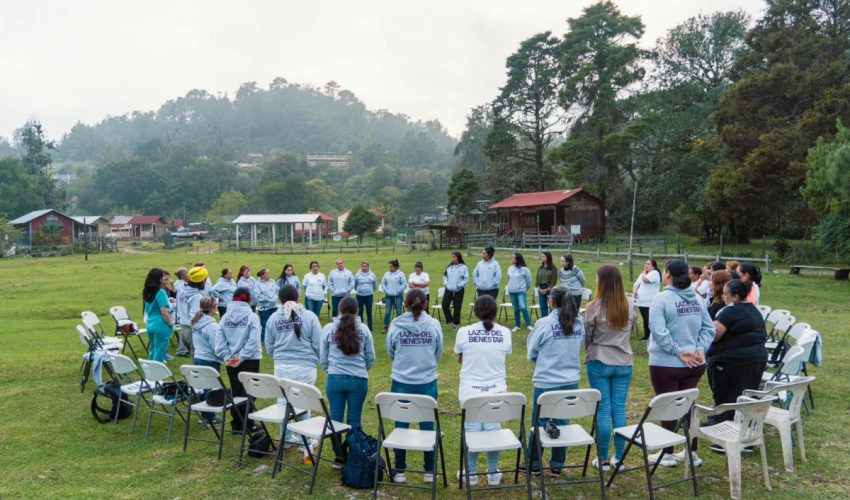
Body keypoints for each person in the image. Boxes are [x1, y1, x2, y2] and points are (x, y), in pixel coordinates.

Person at [647, 259, 715, 468]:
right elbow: (708, 329)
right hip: (694, 363)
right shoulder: (697, 298)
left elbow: (658, 332)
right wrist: (698, 349)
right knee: (688, 405)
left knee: (668, 405)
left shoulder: (661, 298)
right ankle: (691, 452)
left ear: (667, 273)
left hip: (666, 363)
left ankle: (667, 453)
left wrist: (681, 351)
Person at [385, 289, 443, 484]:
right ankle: (429, 470)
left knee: (401, 424)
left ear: (405, 304)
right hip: (426, 381)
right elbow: (438, 350)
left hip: (402, 381)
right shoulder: (433, 324)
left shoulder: (395, 325)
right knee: (428, 425)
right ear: (425, 303)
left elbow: (390, 350)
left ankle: (400, 470)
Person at [454, 295, 512, 487]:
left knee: (472, 430)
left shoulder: (464, 332)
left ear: (476, 312)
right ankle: (493, 472)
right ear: (495, 312)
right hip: (496, 391)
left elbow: (460, 358)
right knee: (492, 430)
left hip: (470, 391)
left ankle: (470, 473)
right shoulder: (505, 332)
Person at [526, 285, 584, 474]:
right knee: (562, 422)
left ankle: (534, 463)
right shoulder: (579, 323)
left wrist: (544, 361)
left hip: (545, 382)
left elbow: (531, 352)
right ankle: (557, 465)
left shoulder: (543, 323)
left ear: (552, 301)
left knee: (538, 423)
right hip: (570, 381)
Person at [584, 266, 637, 472]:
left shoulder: (593, 306)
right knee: (619, 410)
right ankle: (620, 458)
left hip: (599, 360)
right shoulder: (631, 304)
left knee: (604, 410)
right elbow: (632, 329)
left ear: (602, 282)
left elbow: (588, 335)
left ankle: (604, 458)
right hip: (623, 361)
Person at [265, 284, 322, 464]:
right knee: (303, 402)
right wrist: (314, 359)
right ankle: (305, 439)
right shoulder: (310, 316)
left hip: (282, 367)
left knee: (283, 401)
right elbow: (318, 343)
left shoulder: (273, 318)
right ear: (298, 297)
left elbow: (269, 345)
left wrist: (280, 357)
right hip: (305, 367)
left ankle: (287, 437)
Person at [320, 296, 376, 466]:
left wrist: (330, 370)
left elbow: (323, 357)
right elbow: (370, 357)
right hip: (358, 379)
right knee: (354, 420)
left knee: (335, 419)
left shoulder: (329, 328)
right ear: (357, 310)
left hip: (335, 378)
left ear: (339, 309)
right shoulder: (364, 329)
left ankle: (339, 457)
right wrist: (360, 370)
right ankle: (354, 456)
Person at [706, 279, 769, 427]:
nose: (723, 297)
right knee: (746, 397)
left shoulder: (730, 312)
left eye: (725, 294)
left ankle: (725, 431)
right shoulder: (755, 311)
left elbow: (714, 334)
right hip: (756, 360)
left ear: (735, 297)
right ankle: (745, 429)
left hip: (733, 363)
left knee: (728, 398)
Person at [216, 287, 262, 433]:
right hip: (249, 359)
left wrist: (226, 356)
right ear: (248, 300)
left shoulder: (225, 317)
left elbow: (220, 338)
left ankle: (237, 423)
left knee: (236, 391)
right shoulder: (252, 316)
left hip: (231, 359)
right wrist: (241, 357)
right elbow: (253, 341)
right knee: (249, 391)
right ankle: (247, 424)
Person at [191, 296, 224, 425]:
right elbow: (217, 347)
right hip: (209, 360)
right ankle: (211, 417)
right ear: (213, 308)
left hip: (198, 357)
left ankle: (205, 416)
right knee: (210, 390)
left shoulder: (196, 321)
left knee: (204, 388)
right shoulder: (212, 326)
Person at [175, 266, 208, 357]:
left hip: (182, 329)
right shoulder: (197, 296)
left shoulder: (182, 290)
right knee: (198, 357)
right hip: (192, 330)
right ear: (202, 281)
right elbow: (194, 317)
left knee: (193, 357)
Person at [143, 268, 174, 362]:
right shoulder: (160, 292)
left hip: (150, 322)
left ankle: (150, 370)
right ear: (159, 279)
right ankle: (157, 373)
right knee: (160, 350)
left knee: (153, 349)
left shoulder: (146, 290)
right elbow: (164, 311)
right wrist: (170, 324)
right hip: (160, 323)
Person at [633, 259, 661, 341]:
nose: (646, 265)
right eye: (645, 263)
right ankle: (646, 336)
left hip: (650, 301)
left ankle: (651, 337)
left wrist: (644, 273)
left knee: (649, 319)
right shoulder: (643, 274)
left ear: (653, 266)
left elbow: (645, 280)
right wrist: (635, 291)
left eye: (648, 264)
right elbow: (636, 284)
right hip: (641, 301)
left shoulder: (655, 273)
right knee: (645, 319)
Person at [442, 251, 469, 329]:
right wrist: (446, 284)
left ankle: (455, 323)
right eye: (452, 257)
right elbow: (445, 276)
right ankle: (449, 319)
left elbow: (466, 279)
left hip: (458, 290)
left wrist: (460, 285)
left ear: (458, 258)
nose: (452, 258)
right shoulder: (449, 267)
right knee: (444, 305)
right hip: (449, 289)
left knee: (457, 307)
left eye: (454, 257)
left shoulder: (463, 267)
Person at [507, 252, 533, 332]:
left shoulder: (525, 269)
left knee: (523, 307)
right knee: (516, 308)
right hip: (512, 291)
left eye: (514, 258)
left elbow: (529, 281)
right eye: (512, 257)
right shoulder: (510, 268)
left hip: (521, 291)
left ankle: (528, 324)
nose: (512, 259)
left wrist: (525, 289)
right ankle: (517, 325)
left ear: (518, 259)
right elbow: (508, 279)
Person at [381, 259, 407, 333]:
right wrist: (385, 290)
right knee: (387, 312)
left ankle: (400, 327)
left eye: (391, 266)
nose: (389, 268)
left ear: (395, 267)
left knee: (399, 311)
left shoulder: (401, 274)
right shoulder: (386, 274)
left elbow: (404, 283)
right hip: (388, 296)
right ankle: (386, 327)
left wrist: (398, 291)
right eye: (389, 266)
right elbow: (383, 283)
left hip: (398, 296)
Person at [254, 268, 279, 343]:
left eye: (269, 273)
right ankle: (264, 340)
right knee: (265, 325)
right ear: (262, 275)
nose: (269, 275)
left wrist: (275, 298)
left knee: (274, 324)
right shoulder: (257, 284)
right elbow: (258, 296)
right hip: (264, 308)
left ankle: (274, 340)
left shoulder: (272, 281)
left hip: (274, 307)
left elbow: (277, 290)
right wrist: (269, 300)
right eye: (267, 273)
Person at [354, 261, 378, 331]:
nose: (364, 268)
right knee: (360, 312)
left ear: (368, 267)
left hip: (369, 296)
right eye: (363, 266)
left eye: (365, 266)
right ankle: (360, 327)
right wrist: (359, 290)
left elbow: (375, 285)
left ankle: (370, 328)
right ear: (361, 267)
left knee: (369, 312)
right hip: (359, 296)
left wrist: (370, 291)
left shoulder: (372, 275)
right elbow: (354, 285)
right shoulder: (357, 275)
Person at [535, 252, 557, 318]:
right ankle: (544, 320)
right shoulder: (540, 268)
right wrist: (539, 289)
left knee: (552, 306)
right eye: (541, 256)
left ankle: (552, 320)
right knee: (543, 307)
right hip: (541, 289)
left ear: (548, 257)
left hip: (550, 289)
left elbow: (553, 280)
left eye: (543, 256)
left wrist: (547, 289)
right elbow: (537, 280)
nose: (542, 258)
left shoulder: (553, 268)